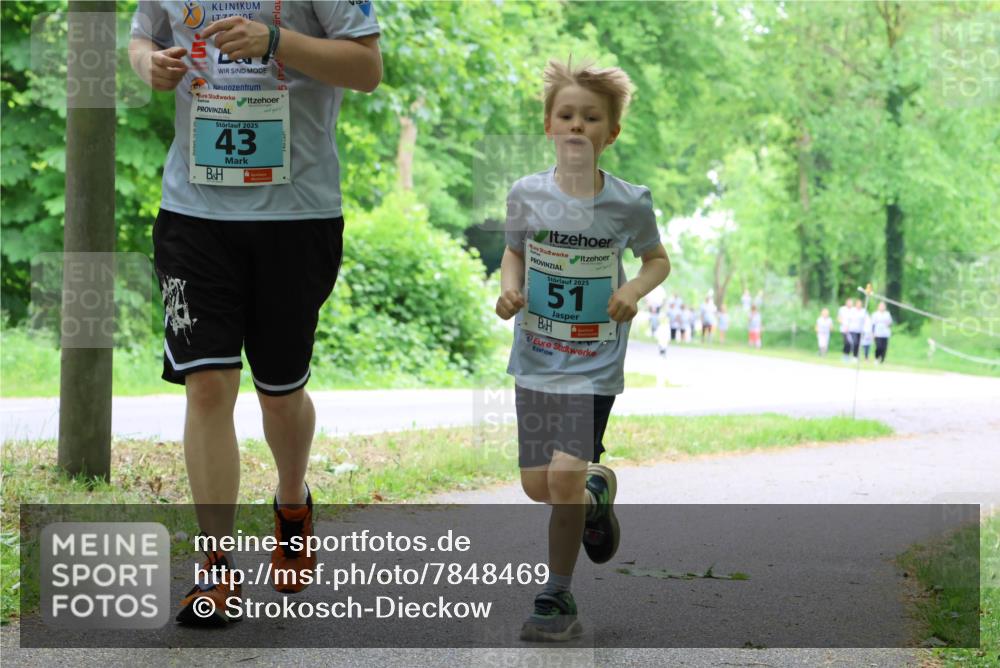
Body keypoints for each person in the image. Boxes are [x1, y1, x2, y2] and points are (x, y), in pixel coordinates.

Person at [129, 1, 381, 625]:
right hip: (194, 214)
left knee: (280, 393)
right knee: (208, 386)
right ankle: (215, 569)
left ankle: (292, 502)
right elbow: (142, 38)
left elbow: (367, 69)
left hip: (297, 216)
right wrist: (148, 66)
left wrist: (275, 41)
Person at [495, 58, 670, 642]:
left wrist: (632, 290)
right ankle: (596, 498)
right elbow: (514, 251)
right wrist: (509, 290)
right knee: (539, 486)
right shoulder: (526, 194)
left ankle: (557, 595)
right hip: (535, 358)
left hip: (593, 362)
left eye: (591, 118)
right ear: (548, 124)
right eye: (566, 115)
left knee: (563, 479)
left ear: (610, 133)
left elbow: (657, 260)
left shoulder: (628, 202)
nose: (577, 125)